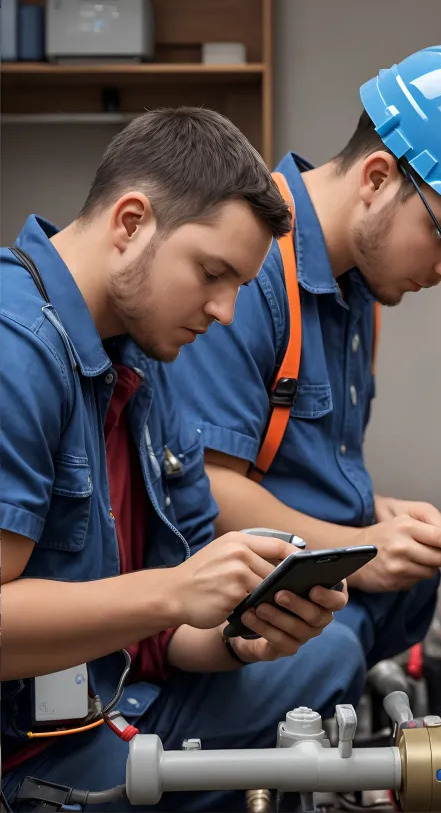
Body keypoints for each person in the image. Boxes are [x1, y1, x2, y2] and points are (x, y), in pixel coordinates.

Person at [0, 108, 365, 812]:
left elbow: (169, 632)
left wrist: (242, 631)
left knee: (333, 652)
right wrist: (172, 591)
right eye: (212, 272)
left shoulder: (145, 357)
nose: (226, 311)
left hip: (113, 689)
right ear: (131, 222)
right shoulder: (16, 349)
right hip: (31, 746)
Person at [168, 44, 441, 668]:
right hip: (220, 612)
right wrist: (363, 545)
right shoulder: (249, 268)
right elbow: (205, 487)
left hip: (312, 586)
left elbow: (300, 467)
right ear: (377, 178)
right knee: (332, 653)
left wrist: (382, 516)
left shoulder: (358, 287)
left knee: (419, 595)